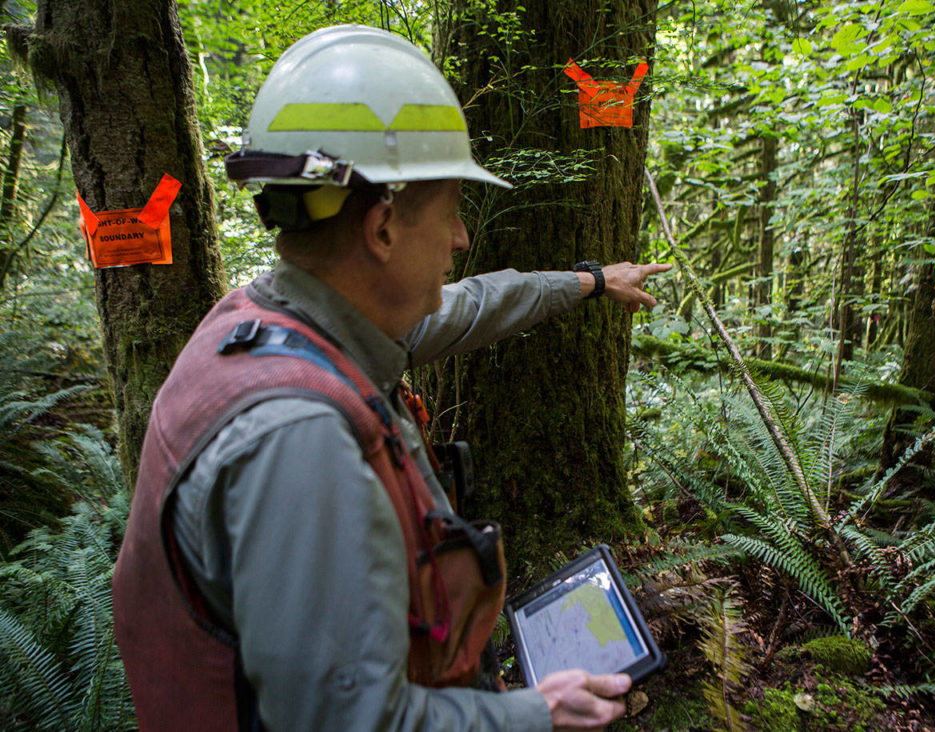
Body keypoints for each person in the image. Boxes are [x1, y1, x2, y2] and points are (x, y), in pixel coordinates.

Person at [112, 24, 670, 731]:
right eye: (451, 211)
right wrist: (533, 714)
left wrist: (590, 281)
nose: (462, 238)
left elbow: (472, 306)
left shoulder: (269, 323)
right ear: (381, 229)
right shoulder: (299, 439)